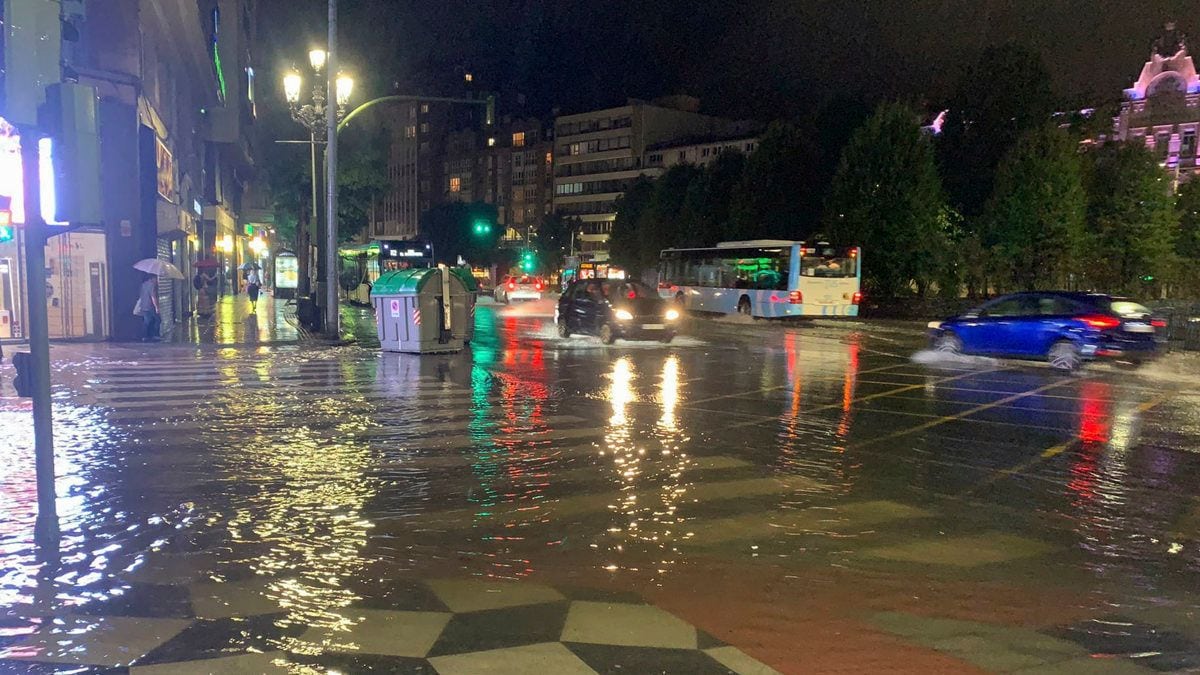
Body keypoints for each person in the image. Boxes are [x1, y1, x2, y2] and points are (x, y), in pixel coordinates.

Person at [135, 273, 160, 341]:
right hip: (150, 306)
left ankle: (146, 336)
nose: (158, 280)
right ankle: (154, 335)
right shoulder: (152, 285)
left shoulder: (143, 284)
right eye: (157, 278)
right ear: (153, 278)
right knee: (156, 320)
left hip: (144, 305)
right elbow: (153, 297)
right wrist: (157, 307)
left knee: (147, 321)